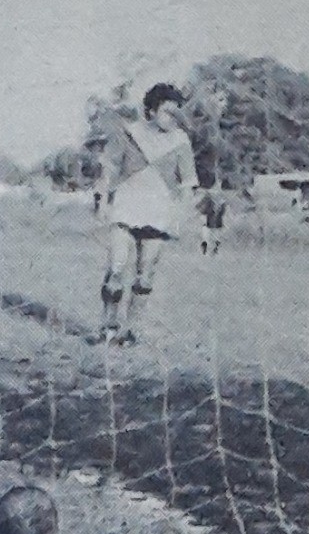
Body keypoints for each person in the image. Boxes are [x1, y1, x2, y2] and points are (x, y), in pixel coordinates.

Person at [88, 83, 199, 346]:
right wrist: (102, 201)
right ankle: (108, 326)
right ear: (151, 111)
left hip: (159, 210)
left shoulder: (180, 141)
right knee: (116, 268)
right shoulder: (130, 133)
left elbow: (188, 183)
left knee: (145, 274)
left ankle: (132, 332)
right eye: (167, 113)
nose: (173, 119)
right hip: (126, 206)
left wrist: (181, 215)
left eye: (177, 114)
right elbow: (110, 168)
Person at [197, 189, 227, 255]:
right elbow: (222, 212)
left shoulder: (210, 201)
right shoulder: (221, 202)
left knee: (207, 235)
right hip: (217, 224)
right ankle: (214, 248)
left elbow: (204, 211)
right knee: (214, 236)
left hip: (210, 223)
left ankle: (209, 247)